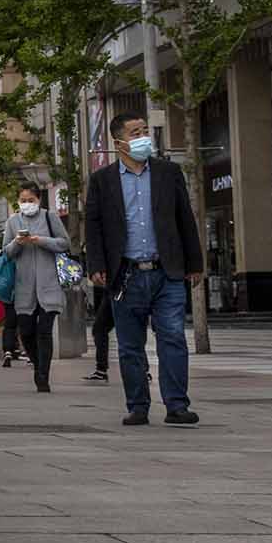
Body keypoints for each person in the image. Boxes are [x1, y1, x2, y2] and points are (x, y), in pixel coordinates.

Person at [83, 112, 203, 427]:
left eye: (145, 131)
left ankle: (177, 405)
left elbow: (185, 219)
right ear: (119, 141)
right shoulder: (102, 180)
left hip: (167, 272)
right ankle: (138, 406)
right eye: (136, 132)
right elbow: (92, 226)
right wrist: (95, 264)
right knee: (129, 345)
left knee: (173, 337)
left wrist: (195, 263)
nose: (143, 137)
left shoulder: (168, 173)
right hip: (126, 274)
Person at [5, 188, 69, 392]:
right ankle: (37, 364)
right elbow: (6, 252)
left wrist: (40, 240)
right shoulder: (12, 222)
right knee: (26, 332)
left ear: (39, 200)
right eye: (22, 200)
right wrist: (18, 242)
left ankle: (43, 375)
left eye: (30, 199)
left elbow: (64, 243)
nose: (27, 203)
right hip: (24, 288)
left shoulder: (50, 218)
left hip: (49, 286)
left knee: (44, 331)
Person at [86, 271, 113, 384]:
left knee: (100, 328)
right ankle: (101, 368)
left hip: (118, 284)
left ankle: (101, 369)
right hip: (112, 286)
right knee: (99, 328)